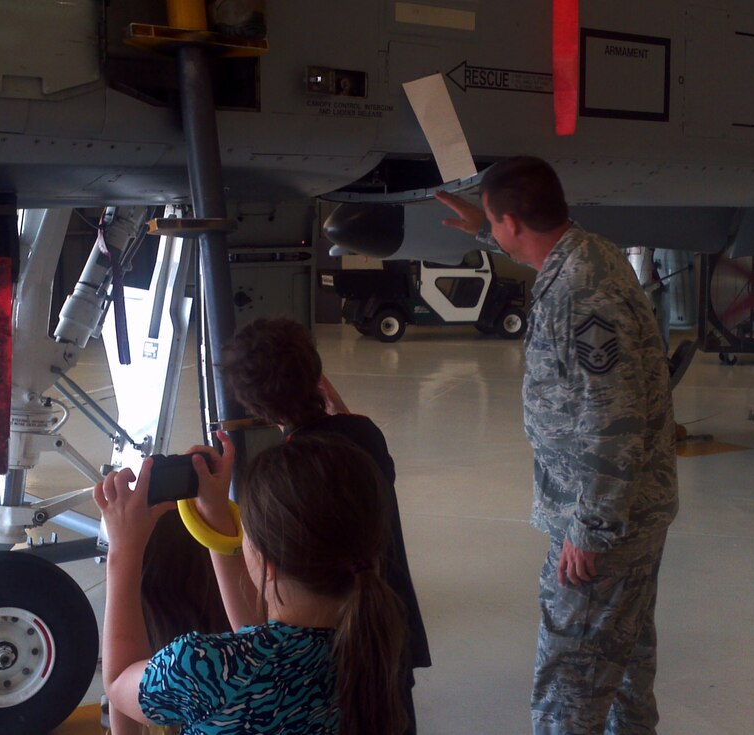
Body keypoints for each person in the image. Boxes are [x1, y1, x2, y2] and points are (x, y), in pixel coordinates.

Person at [435, 156, 678, 734]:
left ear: (514, 223)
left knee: (569, 688)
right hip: (633, 513)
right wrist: (480, 224)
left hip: (604, 525)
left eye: (496, 224)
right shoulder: (590, 254)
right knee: (623, 674)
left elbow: (611, 418)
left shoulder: (581, 293)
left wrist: (589, 530)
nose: (495, 233)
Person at [96, 432, 408, 735]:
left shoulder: (201, 667)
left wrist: (123, 549)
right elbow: (255, 634)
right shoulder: (369, 641)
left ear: (267, 565)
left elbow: (120, 679)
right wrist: (215, 513)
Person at [219, 317, 431, 734]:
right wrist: (320, 392)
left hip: (333, 642)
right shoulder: (364, 435)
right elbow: (348, 432)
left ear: (256, 409)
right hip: (388, 625)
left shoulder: (290, 476)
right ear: (316, 374)